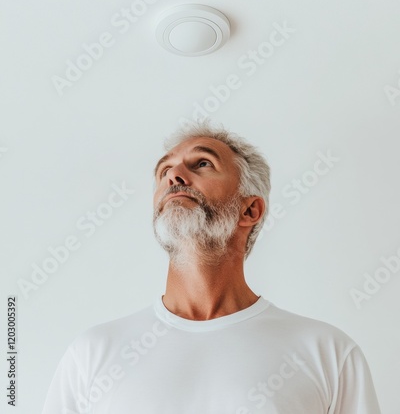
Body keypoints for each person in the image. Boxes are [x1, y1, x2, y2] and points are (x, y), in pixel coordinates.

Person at [42, 119, 382, 413]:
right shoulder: (92, 352)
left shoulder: (327, 352)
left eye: (202, 163)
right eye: (164, 170)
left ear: (250, 211)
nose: (174, 175)